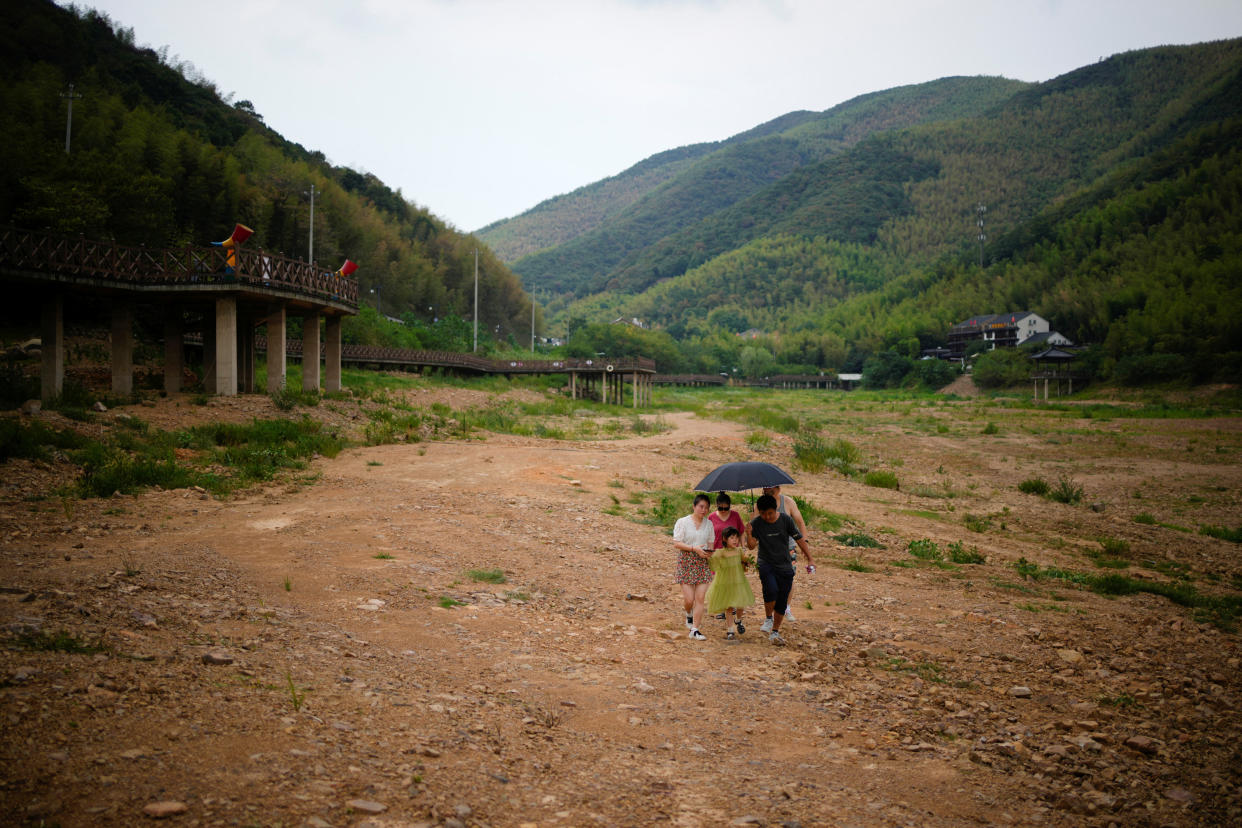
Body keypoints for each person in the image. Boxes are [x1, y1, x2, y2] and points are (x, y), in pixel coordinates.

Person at [746, 493, 814, 646]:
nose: (767, 517)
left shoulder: (785, 520)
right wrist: (748, 533)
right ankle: (768, 618)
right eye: (763, 513)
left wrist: (810, 558)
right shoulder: (756, 523)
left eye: (769, 513)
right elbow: (751, 546)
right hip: (765, 562)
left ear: (775, 509)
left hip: (784, 564)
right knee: (770, 590)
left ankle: (775, 631)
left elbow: (798, 538)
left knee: (782, 599)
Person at [755, 485, 807, 622]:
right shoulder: (760, 504)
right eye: (765, 490)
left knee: (789, 577)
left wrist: (804, 541)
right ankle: (771, 615)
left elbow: (800, 522)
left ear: (778, 489)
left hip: (787, 547)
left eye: (770, 490)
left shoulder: (788, 502)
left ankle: (786, 608)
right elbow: (754, 524)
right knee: (770, 583)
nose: (767, 492)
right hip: (767, 549)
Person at [672, 493, 716, 641]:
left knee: (700, 598)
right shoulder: (682, 522)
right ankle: (688, 613)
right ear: (694, 506)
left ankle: (695, 629)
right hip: (686, 562)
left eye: (706, 508)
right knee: (689, 599)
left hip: (702, 563)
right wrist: (693, 548)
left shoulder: (709, 524)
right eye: (701, 506)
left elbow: (711, 544)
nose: (703, 510)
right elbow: (677, 543)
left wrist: (709, 553)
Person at [704, 526, 755, 639]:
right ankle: (730, 630)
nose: (735, 540)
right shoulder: (721, 552)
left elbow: (745, 560)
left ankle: (738, 620)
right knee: (729, 607)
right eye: (732, 538)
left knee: (741, 605)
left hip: (739, 582)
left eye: (737, 538)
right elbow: (713, 563)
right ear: (725, 539)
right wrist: (708, 557)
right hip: (725, 582)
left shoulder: (739, 550)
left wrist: (749, 560)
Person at [708, 491, 748, 631]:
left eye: (726, 508)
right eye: (721, 508)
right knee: (720, 582)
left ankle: (732, 609)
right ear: (717, 506)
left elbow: (741, 531)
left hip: (734, 555)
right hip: (719, 554)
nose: (724, 511)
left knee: (734, 581)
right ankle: (723, 607)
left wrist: (743, 547)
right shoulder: (711, 517)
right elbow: (708, 535)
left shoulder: (736, 515)